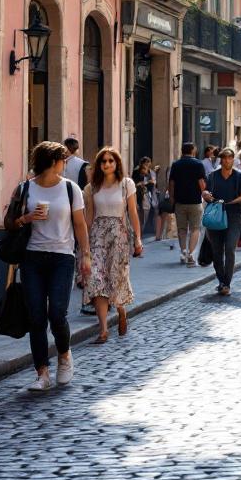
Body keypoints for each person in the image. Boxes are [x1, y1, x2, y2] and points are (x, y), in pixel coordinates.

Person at [5, 141, 92, 391]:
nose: (65, 164)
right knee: (36, 317)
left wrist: (85, 255)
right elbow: (9, 222)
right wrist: (27, 218)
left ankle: (64, 355)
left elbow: (80, 224)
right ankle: (42, 373)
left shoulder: (70, 189)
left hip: (62, 258)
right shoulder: (25, 188)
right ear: (54, 162)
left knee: (57, 313)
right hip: (32, 258)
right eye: (63, 160)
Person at [84, 147, 142, 343]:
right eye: (103, 161)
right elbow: (89, 216)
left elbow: (133, 212)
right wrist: (84, 245)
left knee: (116, 278)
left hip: (118, 236)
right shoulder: (92, 187)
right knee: (96, 279)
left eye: (111, 160)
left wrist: (138, 238)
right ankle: (103, 330)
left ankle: (121, 310)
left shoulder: (126, 184)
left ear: (117, 163)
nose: (107, 164)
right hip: (97, 236)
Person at [202, 148, 241, 295]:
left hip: (234, 216)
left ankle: (227, 284)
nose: (227, 160)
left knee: (230, 248)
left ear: (233, 159)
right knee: (217, 251)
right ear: (221, 160)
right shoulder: (213, 176)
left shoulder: (240, 176)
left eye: (229, 158)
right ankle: (221, 281)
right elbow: (205, 191)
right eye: (224, 158)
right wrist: (206, 194)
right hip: (216, 216)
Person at [168, 142, 208, 266]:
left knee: (182, 229)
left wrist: (172, 198)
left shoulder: (176, 164)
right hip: (195, 202)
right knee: (195, 228)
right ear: (193, 150)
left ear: (182, 151)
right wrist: (205, 196)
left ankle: (183, 251)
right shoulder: (198, 164)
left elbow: (171, 183)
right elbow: (201, 182)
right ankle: (190, 253)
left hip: (180, 202)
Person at [132, 157, 158, 241]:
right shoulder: (136, 172)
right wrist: (146, 182)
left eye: (148, 164)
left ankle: (141, 232)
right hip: (138, 196)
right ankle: (138, 234)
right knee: (139, 215)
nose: (147, 166)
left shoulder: (151, 172)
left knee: (146, 215)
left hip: (148, 197)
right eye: (145, 164)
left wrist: (152, 182)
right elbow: (134, 184)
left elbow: (153, 184)